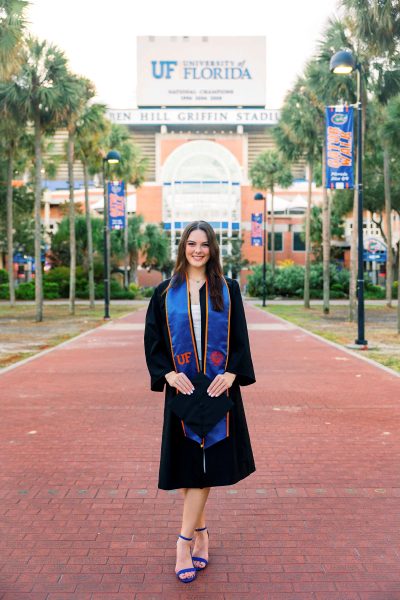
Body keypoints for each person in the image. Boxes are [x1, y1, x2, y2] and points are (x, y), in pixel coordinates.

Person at [144, 220, 256, 583]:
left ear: (212, 249)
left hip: (218, 391)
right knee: (194, 467)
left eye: (204, 244)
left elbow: (239, 338)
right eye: (191, 243)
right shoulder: (164, 292)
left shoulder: (228, 289)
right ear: (182, 247)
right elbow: (154, 341)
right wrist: (166, 373)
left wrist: (233, 374)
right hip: (184, 393)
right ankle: (200, 535)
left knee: (205, 470)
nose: (197, 250)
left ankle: (184, 542)